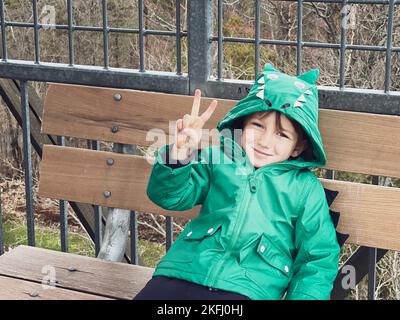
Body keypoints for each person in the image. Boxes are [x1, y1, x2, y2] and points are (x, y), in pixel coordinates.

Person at [133, 63, 343, 300]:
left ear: (298, 147)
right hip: (183, 270)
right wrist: (180, 153)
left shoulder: (304, 189)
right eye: (257, 125)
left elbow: (317, 258)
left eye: (281, 134)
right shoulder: (218, 159)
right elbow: (170, 196)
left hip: (248, 288)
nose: (264, 141)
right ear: (242, 125)